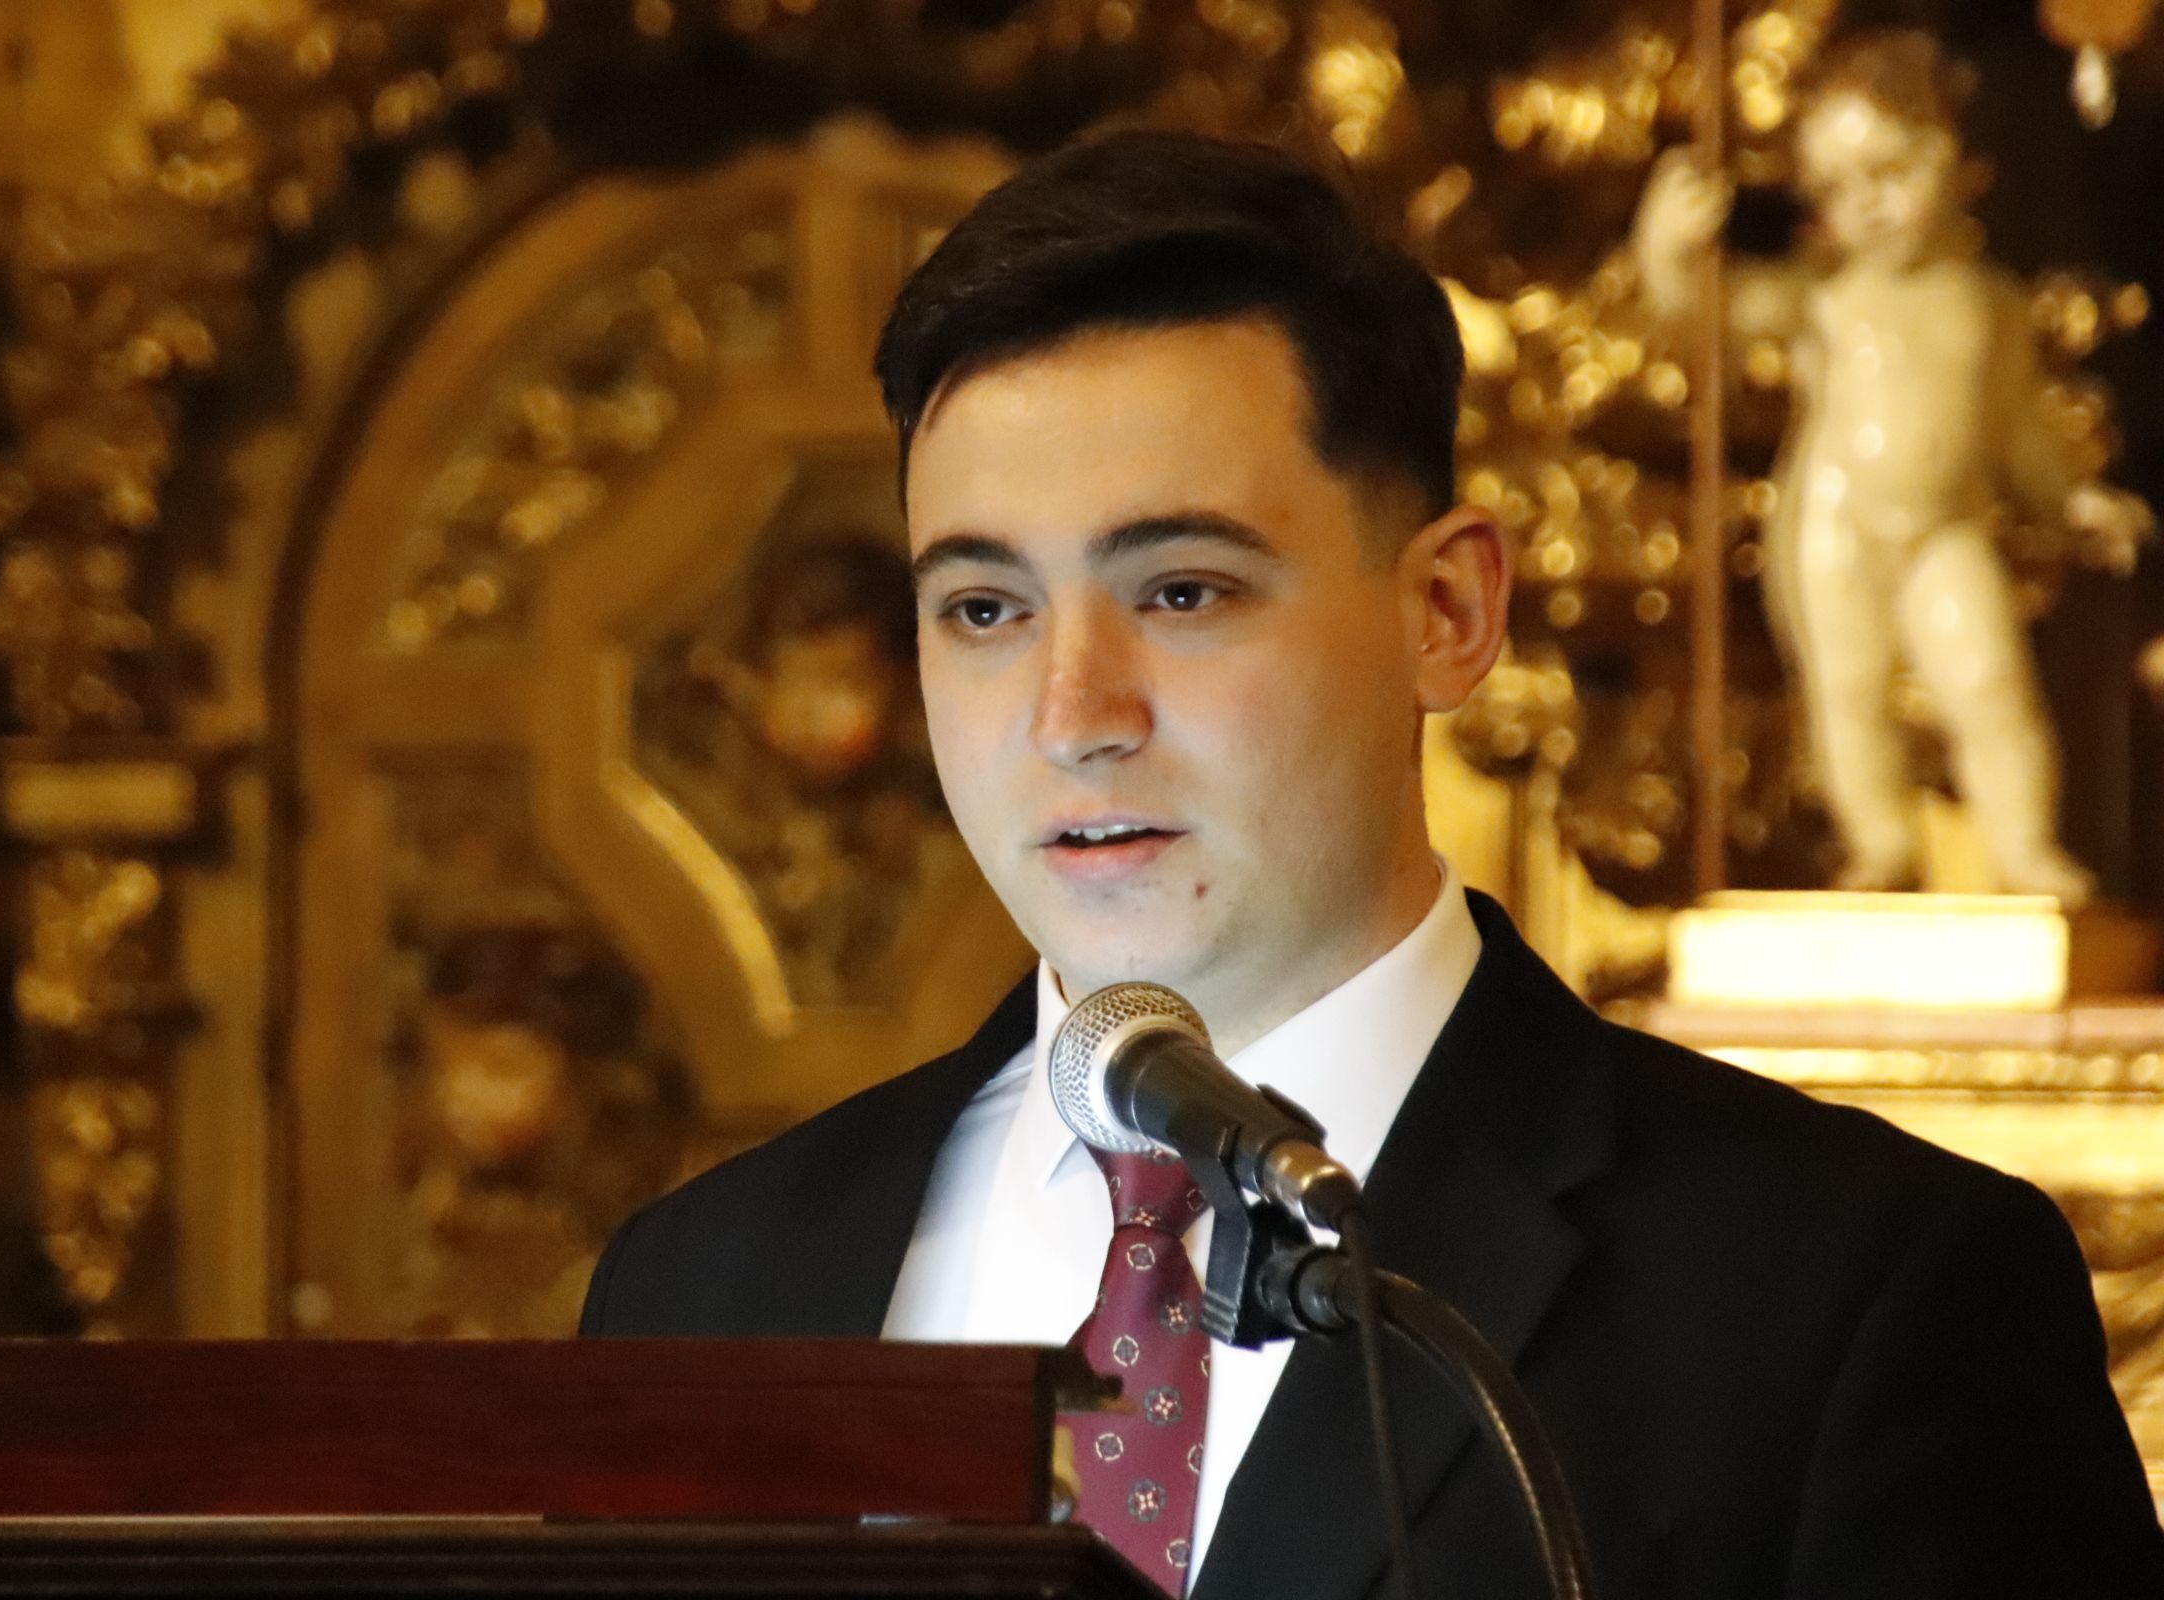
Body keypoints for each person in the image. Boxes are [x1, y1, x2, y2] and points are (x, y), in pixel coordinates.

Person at [579, 130, 2163, 1598]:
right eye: (984, 611)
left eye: (1184, 591)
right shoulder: (702, 1289)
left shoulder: (1853, 1302)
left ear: (1449, 613)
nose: (1073, 717)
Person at [1634, 30, 2153, 905]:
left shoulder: (1990, 304)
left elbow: (2020, 430)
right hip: (1836, 524)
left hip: (1946, 528)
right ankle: (1878, 847)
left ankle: (2022, 849)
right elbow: (1699, 316)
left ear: (1958, 159)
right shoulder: (1823, 298)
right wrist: (1667, 245)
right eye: (1839, 188)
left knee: (1989, 683)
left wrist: (2075, 497)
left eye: (1892, 171)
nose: (1869, 206)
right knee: (1849, 691)